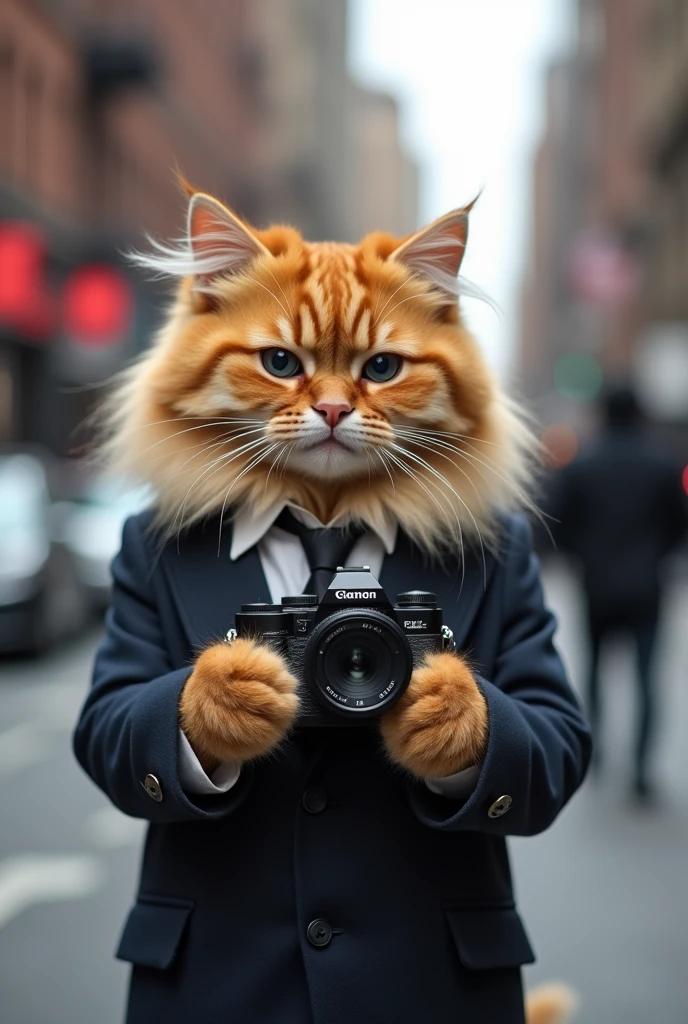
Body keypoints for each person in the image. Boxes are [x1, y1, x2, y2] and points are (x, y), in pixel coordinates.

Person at [73, 190, 590, 1024]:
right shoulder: (157, 543)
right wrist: (193, 721)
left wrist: (471, 733)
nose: (334, 404)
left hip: (431, 990)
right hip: (216, 991)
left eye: (382, 366)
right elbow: (104, 737)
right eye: (282, 361)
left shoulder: (492, 547)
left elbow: (558, 754)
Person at [551, 386, 688, 800]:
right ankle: (642, 769)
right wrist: (657, 556)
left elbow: (559, 524)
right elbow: (680, 524)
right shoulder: (663, 464)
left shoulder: (583, 466)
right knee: (647, 678)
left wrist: (583, 559)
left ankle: (597, 751)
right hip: (648, 587)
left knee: (593, 672)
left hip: (597, 586)